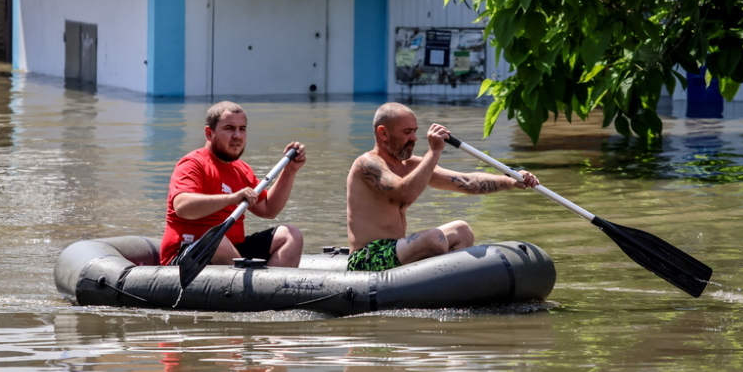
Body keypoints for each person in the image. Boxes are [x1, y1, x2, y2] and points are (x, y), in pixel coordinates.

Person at [346, 102, 539, 271]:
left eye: (414, 131)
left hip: (397, 250)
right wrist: (435, 151)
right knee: (433, 238)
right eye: (407, 132)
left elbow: (467, 182)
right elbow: (404, 193)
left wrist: (511, 181)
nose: (414, 138)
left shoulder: (411, 166)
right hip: (368, 257)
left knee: (461, 230)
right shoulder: (367, 164)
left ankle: (450, 285)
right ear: (383, 133)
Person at [159, 101, 306, 267]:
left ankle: (268, 290)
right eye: (229, 128)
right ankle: (248, 287)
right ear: (209, 133)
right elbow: (183, 207)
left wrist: (290, 171)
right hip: (187, 255)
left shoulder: (242, 170)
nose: (237, 135)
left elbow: (268, 209)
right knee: (216, 241)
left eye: (242, 129)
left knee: (290, 234)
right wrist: (232, 198)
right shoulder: (192, 164)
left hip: (233, 251)